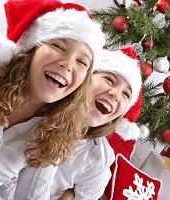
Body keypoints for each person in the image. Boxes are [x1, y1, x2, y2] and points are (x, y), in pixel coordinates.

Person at [0, 0, 105, 199]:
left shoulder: (51, 135)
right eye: (59, 46)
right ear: (31, 50)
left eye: (81, 61)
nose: (68, 64)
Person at [9, 46, 143, 199]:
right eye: (109, 80)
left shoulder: (99, 159)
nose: (116, 95)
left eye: (126, 94)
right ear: (83, 79)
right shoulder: (34, 109)